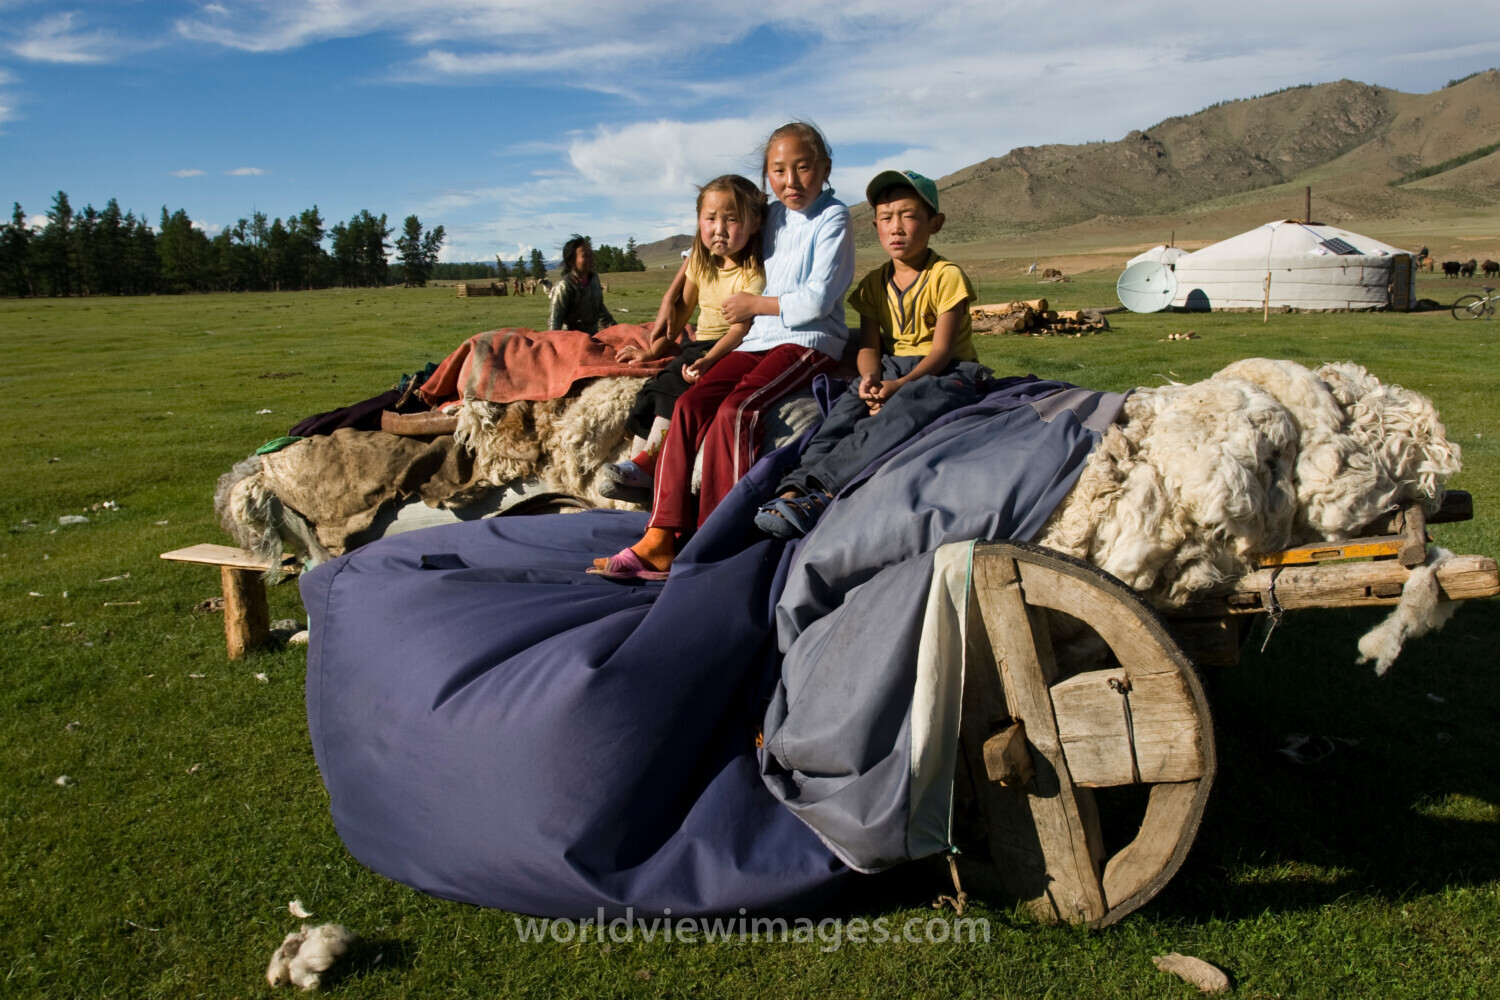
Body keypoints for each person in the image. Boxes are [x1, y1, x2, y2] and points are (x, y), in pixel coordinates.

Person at [591, 121, 856, 579]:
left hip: (808, 340)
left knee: (739, 409)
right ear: (766, 176)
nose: (791, 181)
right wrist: (676, 322)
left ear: (825, 168)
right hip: (758, 338)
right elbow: (713, 242)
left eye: (803, 168)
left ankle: (718, 538)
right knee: (691, 405)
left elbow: (818, 299)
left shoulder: (833, 217)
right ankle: (660, 536)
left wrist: (756, 304)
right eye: (778, 170)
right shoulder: (770, 215)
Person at [754, 169, 991, 539]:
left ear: (936, 223)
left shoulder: (947, 276)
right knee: (841, 416)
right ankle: (792, 490)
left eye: (909, 216)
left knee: (900, 415)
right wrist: (869, 378)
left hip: (946, 372)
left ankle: (824, 493)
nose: (896, 227)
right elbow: (869, 346)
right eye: (885, 218)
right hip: (892, 368)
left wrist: (898, 386)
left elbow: (942, 351)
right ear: (875, 227)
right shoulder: (873, 285)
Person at [600, 175, 769, 504]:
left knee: (675, 389)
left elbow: (740, 330)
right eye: (710, 218)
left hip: (728, 347)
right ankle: (635, 468)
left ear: (754, 223)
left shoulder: (751, 273)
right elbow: (680, 313)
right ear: (698, 221)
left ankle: (646, 466)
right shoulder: (703, 265)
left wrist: (707, 360)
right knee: (653, 389)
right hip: (699, 343)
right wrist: (652, 351)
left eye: (731, 219)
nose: (719, 228)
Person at [547, 235, 617, 333]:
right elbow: (554, 322)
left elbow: (600, 309)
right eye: (585, 256)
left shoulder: (594, 279)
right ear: (571, 261)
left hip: (593, 337)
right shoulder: (564, 286)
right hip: (570, 340)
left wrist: (616, 330)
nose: (591, 259)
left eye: (591, 255)